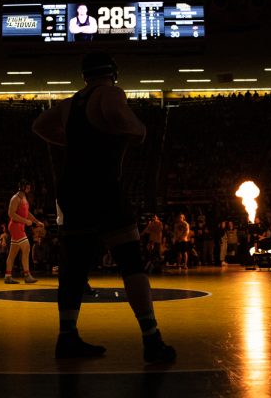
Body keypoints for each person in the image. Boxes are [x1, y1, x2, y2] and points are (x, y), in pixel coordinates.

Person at [32, 52, 176, 363]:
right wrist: (139, 130)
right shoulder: (110, 92)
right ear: (112, 73)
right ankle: (152, 340)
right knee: (130, 262)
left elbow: (40, 125)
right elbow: (123, 119)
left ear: (85, 75)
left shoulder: (72, 102)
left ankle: (67, 337)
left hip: (72, 190)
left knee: (73, 268)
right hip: (102, 188)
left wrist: (72, 141)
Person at [4, 180, 43, 284]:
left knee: (13, 253)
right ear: (23, 187)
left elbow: (27, 213)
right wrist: (25, 221)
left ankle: (8, 276)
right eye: (28, 186)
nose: (29, 188)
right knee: (26, 248)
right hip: (15, 227)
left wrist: (36, 221)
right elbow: (11, 214)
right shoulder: (15, 198)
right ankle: (27, 275)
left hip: (19, 226)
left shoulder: (24, 197)